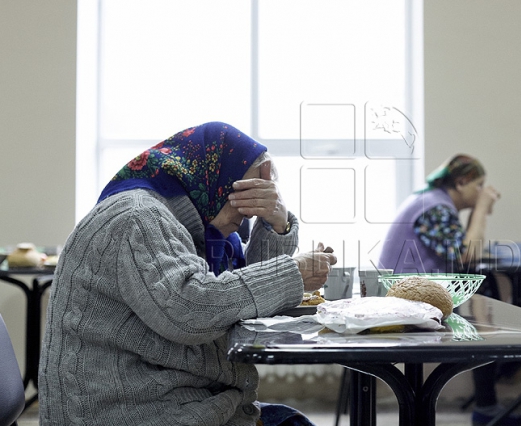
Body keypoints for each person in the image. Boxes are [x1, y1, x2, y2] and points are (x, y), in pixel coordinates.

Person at [38, 122, 336, 426]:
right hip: (130, 412)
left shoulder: (197, 226)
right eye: (247, 198)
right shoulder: (138, 217)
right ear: (214, 181)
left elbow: (244, 297)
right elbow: (190, 311)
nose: (249, 214)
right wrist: (292, 272)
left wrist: (277, 222)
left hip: (176, 399)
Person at [378, 154, 521, 426]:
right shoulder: (434, 207)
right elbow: (467, 254)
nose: (483, 191)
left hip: (412, 290)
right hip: (404, 298)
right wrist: (481, 209)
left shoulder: (432, 201)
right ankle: (501, 377)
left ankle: (495, 386)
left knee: (484, 291)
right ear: (461, 183)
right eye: (479, 185)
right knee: (485, 300)